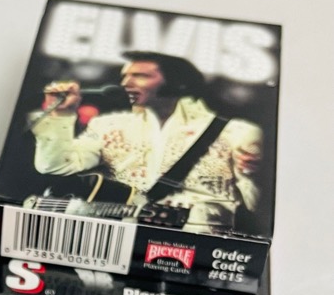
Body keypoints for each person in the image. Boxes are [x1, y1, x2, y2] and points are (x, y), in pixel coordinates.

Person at [28, 51, 263, 233]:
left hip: (197, 249)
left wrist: (255, 175)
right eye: (124, 76)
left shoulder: (236, 133)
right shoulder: (108, 126)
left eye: (140, 76)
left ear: (178, 83)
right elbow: (54, 166)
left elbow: (256, 207)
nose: (125, 83)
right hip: (121, 239)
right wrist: (60, 116)